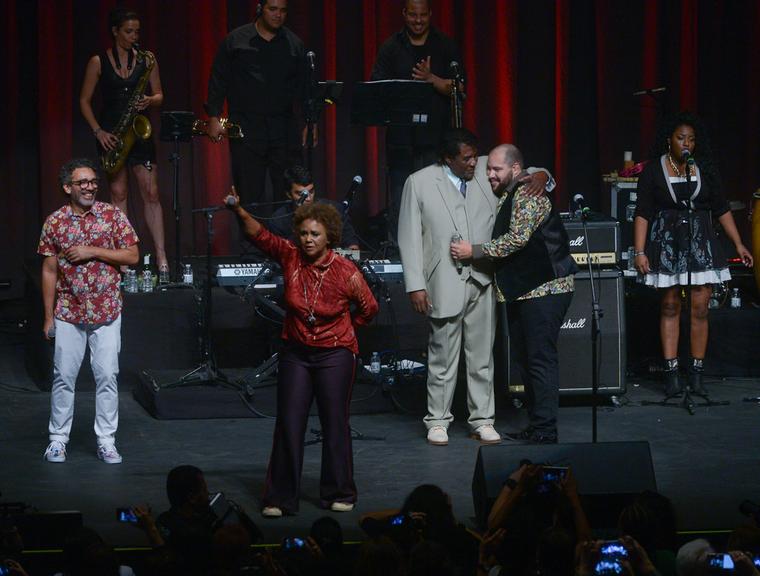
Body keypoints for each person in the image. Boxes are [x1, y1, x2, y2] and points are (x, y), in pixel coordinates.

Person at [225, 188, 378, 517]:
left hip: (335, 353)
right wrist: (239, 210)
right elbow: (260, 236)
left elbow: (369, 308)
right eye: (304, 233)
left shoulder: (346, 272)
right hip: (297, 352)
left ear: (329, 237)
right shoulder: (290, 255)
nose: (308, 239)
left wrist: (344, 329)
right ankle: (280, 497)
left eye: (315, 234)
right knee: (289, 423)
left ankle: (339, 491)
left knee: (334, 423)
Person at [398, 129, 551, 447]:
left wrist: (541, 174)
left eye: (474, 156)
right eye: (466, 158)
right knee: (442, 356)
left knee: (482, 357)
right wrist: (415, 285)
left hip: (482, 279)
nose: (474, 163)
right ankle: (438, 419)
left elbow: (526, 169)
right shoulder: (420, 182)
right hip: (443, 282)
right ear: (447, 159)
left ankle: (482, 419)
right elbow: (409, 237)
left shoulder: (484, 170)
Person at [452, 144, 577, 444]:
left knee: (540, 360)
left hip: (546, 289)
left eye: (497, 169)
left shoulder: (526, 193)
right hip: (525, 291)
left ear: (516, 170)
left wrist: (474, 251)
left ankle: (545, 429)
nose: (491, 174)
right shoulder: (511, 192)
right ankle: (537, 425)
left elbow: (517, 239)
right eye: (489, 169)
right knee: (526, 360)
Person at [633, 112, 753, 398]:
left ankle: (697, 375)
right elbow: (643, 213)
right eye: (680, 137)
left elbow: (721, 209)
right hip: (667, 244)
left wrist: (739, 244)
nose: (686, 142)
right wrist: (639, 251)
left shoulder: (704, 169)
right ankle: (672, 375)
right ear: (669, 140)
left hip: (701, 243)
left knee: (700, 307)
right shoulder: (653, 170)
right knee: (671, 305)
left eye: (691, 139)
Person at [38, 158, 139, 464]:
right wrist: (48, 317)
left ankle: (106, 440)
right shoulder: (54, 222)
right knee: (63, 377)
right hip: (69, 311)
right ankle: (58, 440)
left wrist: (92, 250)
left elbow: (133, 255)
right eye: (82, 182)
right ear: (67, 187)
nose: (90, 187)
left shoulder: (111, 215)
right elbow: (49, 271)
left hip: (106, 311)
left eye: (93, 181)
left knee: (107, 376)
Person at [79, 7, 167, 274]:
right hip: (112, 136)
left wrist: (150, 100)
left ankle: (161, 259)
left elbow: (160, 94)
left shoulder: (147, 59)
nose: (134, 37)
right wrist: (98, 131)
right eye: (128, 31)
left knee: (151, 194)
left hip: (139, 133)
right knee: (119, 195)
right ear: (115, 32)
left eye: (137, 32)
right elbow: (84, 101)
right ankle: (124, 259)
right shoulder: (98, 61)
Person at [206, 0, 313, 212]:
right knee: (249, 192)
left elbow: (304, 89)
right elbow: (218, 80)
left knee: (286, 191)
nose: (278, 15)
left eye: (283, 11)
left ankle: (284, 243)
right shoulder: (236, 41)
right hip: (246, 127)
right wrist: (213, 116)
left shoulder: (294, 44)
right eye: (272, 9)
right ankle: (251, 245)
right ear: (260, 9)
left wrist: (310, 123)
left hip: (283, 127)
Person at [371, 0, 462, 240]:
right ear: (404, 14)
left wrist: (431, 79)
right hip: (401, 139)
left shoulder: (444, 45)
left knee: (435, 200)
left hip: (436, 139)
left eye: (423, 15)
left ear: (430, 14)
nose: (418, 21)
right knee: (401, 201)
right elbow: (377, 89)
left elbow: (460, 88)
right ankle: (398, 256)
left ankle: (436, 251)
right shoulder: (391, 47)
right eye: (413, 15)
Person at [268, 165, 361, 250]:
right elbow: (280, 254)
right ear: (289, 194)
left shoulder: (334, 210)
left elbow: (352, 245)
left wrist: (350, 253)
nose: (308, 198)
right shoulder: (278, 220)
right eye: (301, 194)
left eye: (311, 192)